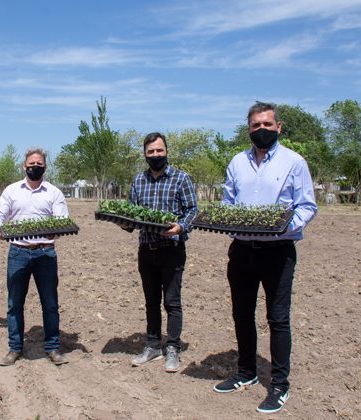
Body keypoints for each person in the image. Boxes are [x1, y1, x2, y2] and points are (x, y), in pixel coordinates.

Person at [212, 102, 317, 414]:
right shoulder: (237, 162)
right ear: (249, 129)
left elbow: (307, 206)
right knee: (242, 314)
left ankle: (280, 384)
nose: (262, 130)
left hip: (278, 253)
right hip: (242, 251)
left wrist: (284, 226)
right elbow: (227, 202)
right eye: (256, 125)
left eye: (267, 125)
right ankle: (246, 372)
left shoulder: (294, 162)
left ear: (279, 127)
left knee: (278, 318)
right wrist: (225, 218)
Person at [124, 132, 198, 373]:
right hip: (147, 249)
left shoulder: (181, 178)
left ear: (167, 151)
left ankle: (173, 347)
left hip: (172, 249)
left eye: (159, 150)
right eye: (150, 152)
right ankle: (153, 345)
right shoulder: (138, 181)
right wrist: (124, 223)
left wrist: (181, 226)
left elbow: (192, 211)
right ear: (145, 154)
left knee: (172, 302)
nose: (155, 155)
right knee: (151, 301)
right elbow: (132, 215)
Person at [0, 148, 70, 366]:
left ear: (45, 166)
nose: (35, 166)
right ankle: (15, 348)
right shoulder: (12, 190)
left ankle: (52, 347)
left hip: (45, 253)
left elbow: (62, 219)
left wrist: (57, 229)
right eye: (31, 163)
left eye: (39, 163)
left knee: (50, 303)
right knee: (15, 303)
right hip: (18, 253)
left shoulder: (54, 192)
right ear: (24, 166)